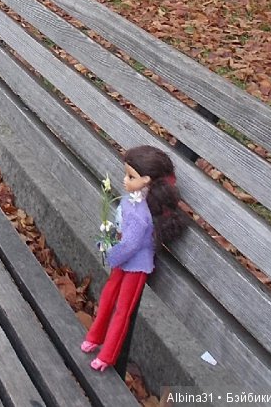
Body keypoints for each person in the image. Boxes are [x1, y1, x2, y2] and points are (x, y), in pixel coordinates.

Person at [81, 145, 186, 372]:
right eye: (126, 174)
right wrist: (109, 237)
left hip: (136, 265)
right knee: (108, 296)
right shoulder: (132, 201)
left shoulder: (142, 216)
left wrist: (111, 253)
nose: (125, 180)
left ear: (146, 180)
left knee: (123, 309)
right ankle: (95, 336)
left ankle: (108, 355)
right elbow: (121, 228)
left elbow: (131, 244)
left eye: (131, 177)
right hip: (122, 258)